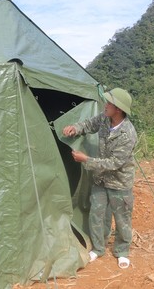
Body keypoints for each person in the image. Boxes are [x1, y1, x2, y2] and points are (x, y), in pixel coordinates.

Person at [62, 88, 137, 270]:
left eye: (109, 103)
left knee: (121, 218)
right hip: (100, 180)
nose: (106, 104)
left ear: (118, 109)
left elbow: (114, 163)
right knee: (97, 214)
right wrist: (76, 128)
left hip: (119, 183)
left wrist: (86, 160)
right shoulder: (105, 119)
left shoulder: (128, 134)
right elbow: (89, 124)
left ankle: (122, 251)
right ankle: (98, 248)